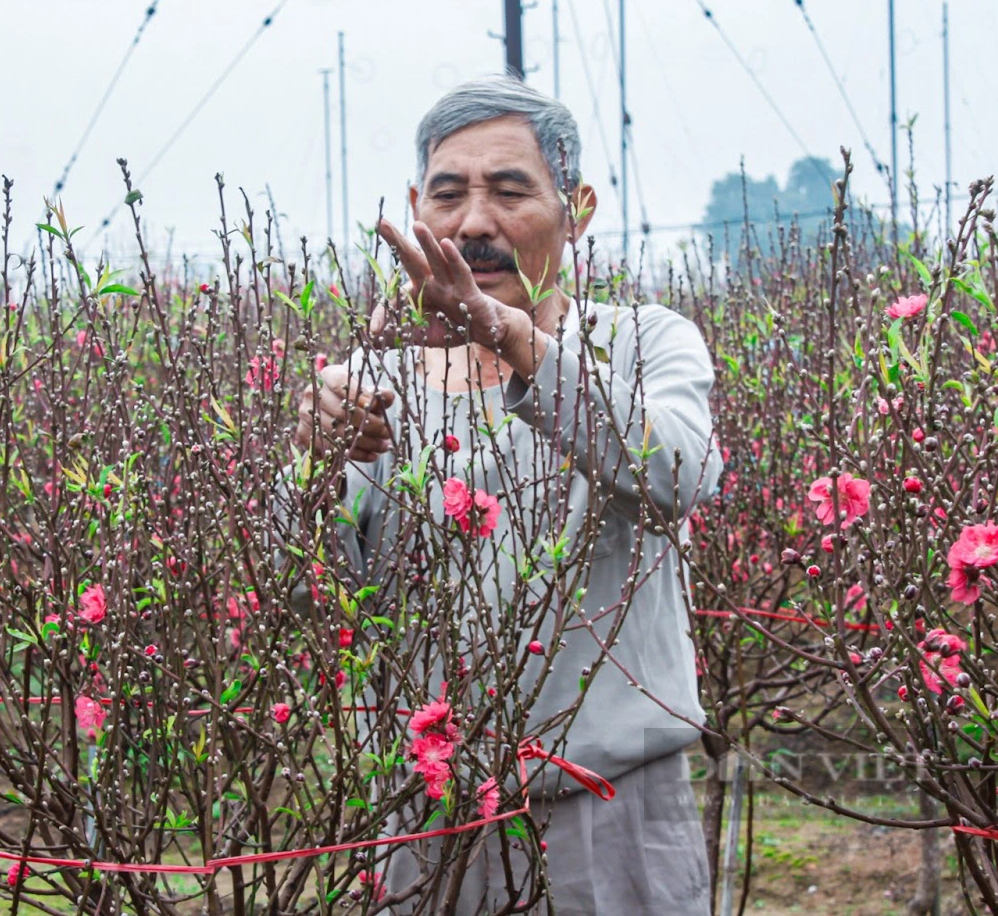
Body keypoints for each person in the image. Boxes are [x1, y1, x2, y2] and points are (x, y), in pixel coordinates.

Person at [290, 75, 722, 914]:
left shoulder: (643, 344)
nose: (475, 224)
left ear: (578, 208)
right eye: (448, 195)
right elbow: (304, 585)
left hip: (612, 806)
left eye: (510, 190)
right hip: (428, 818)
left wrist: (516, 341)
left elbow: (680, 473)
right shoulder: (373, 386)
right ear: (417, 206)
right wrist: (308, 466)